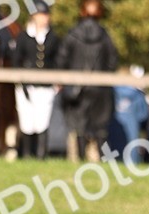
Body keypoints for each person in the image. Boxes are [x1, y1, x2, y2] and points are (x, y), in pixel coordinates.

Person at [56, 0, 118, 163]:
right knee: (99, 129)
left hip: (75, 90)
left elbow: (61, 60)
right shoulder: (105, 36)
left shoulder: (72, 34)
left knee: (78, 128)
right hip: (100, 90)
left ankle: (77, 159)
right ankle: (99, 160)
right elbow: (113, 61)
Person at [14, 0, 59, 159]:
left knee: (42, 120)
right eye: (40, 15)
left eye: (45, 15)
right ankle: (26, 154)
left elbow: (57, 61)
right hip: (26, 85)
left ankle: (41, 154)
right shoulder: (23, 36)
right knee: (27, 120)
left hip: (45, 86)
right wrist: (21, 80)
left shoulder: (53, 37)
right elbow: (16, 59)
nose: (43, 19)